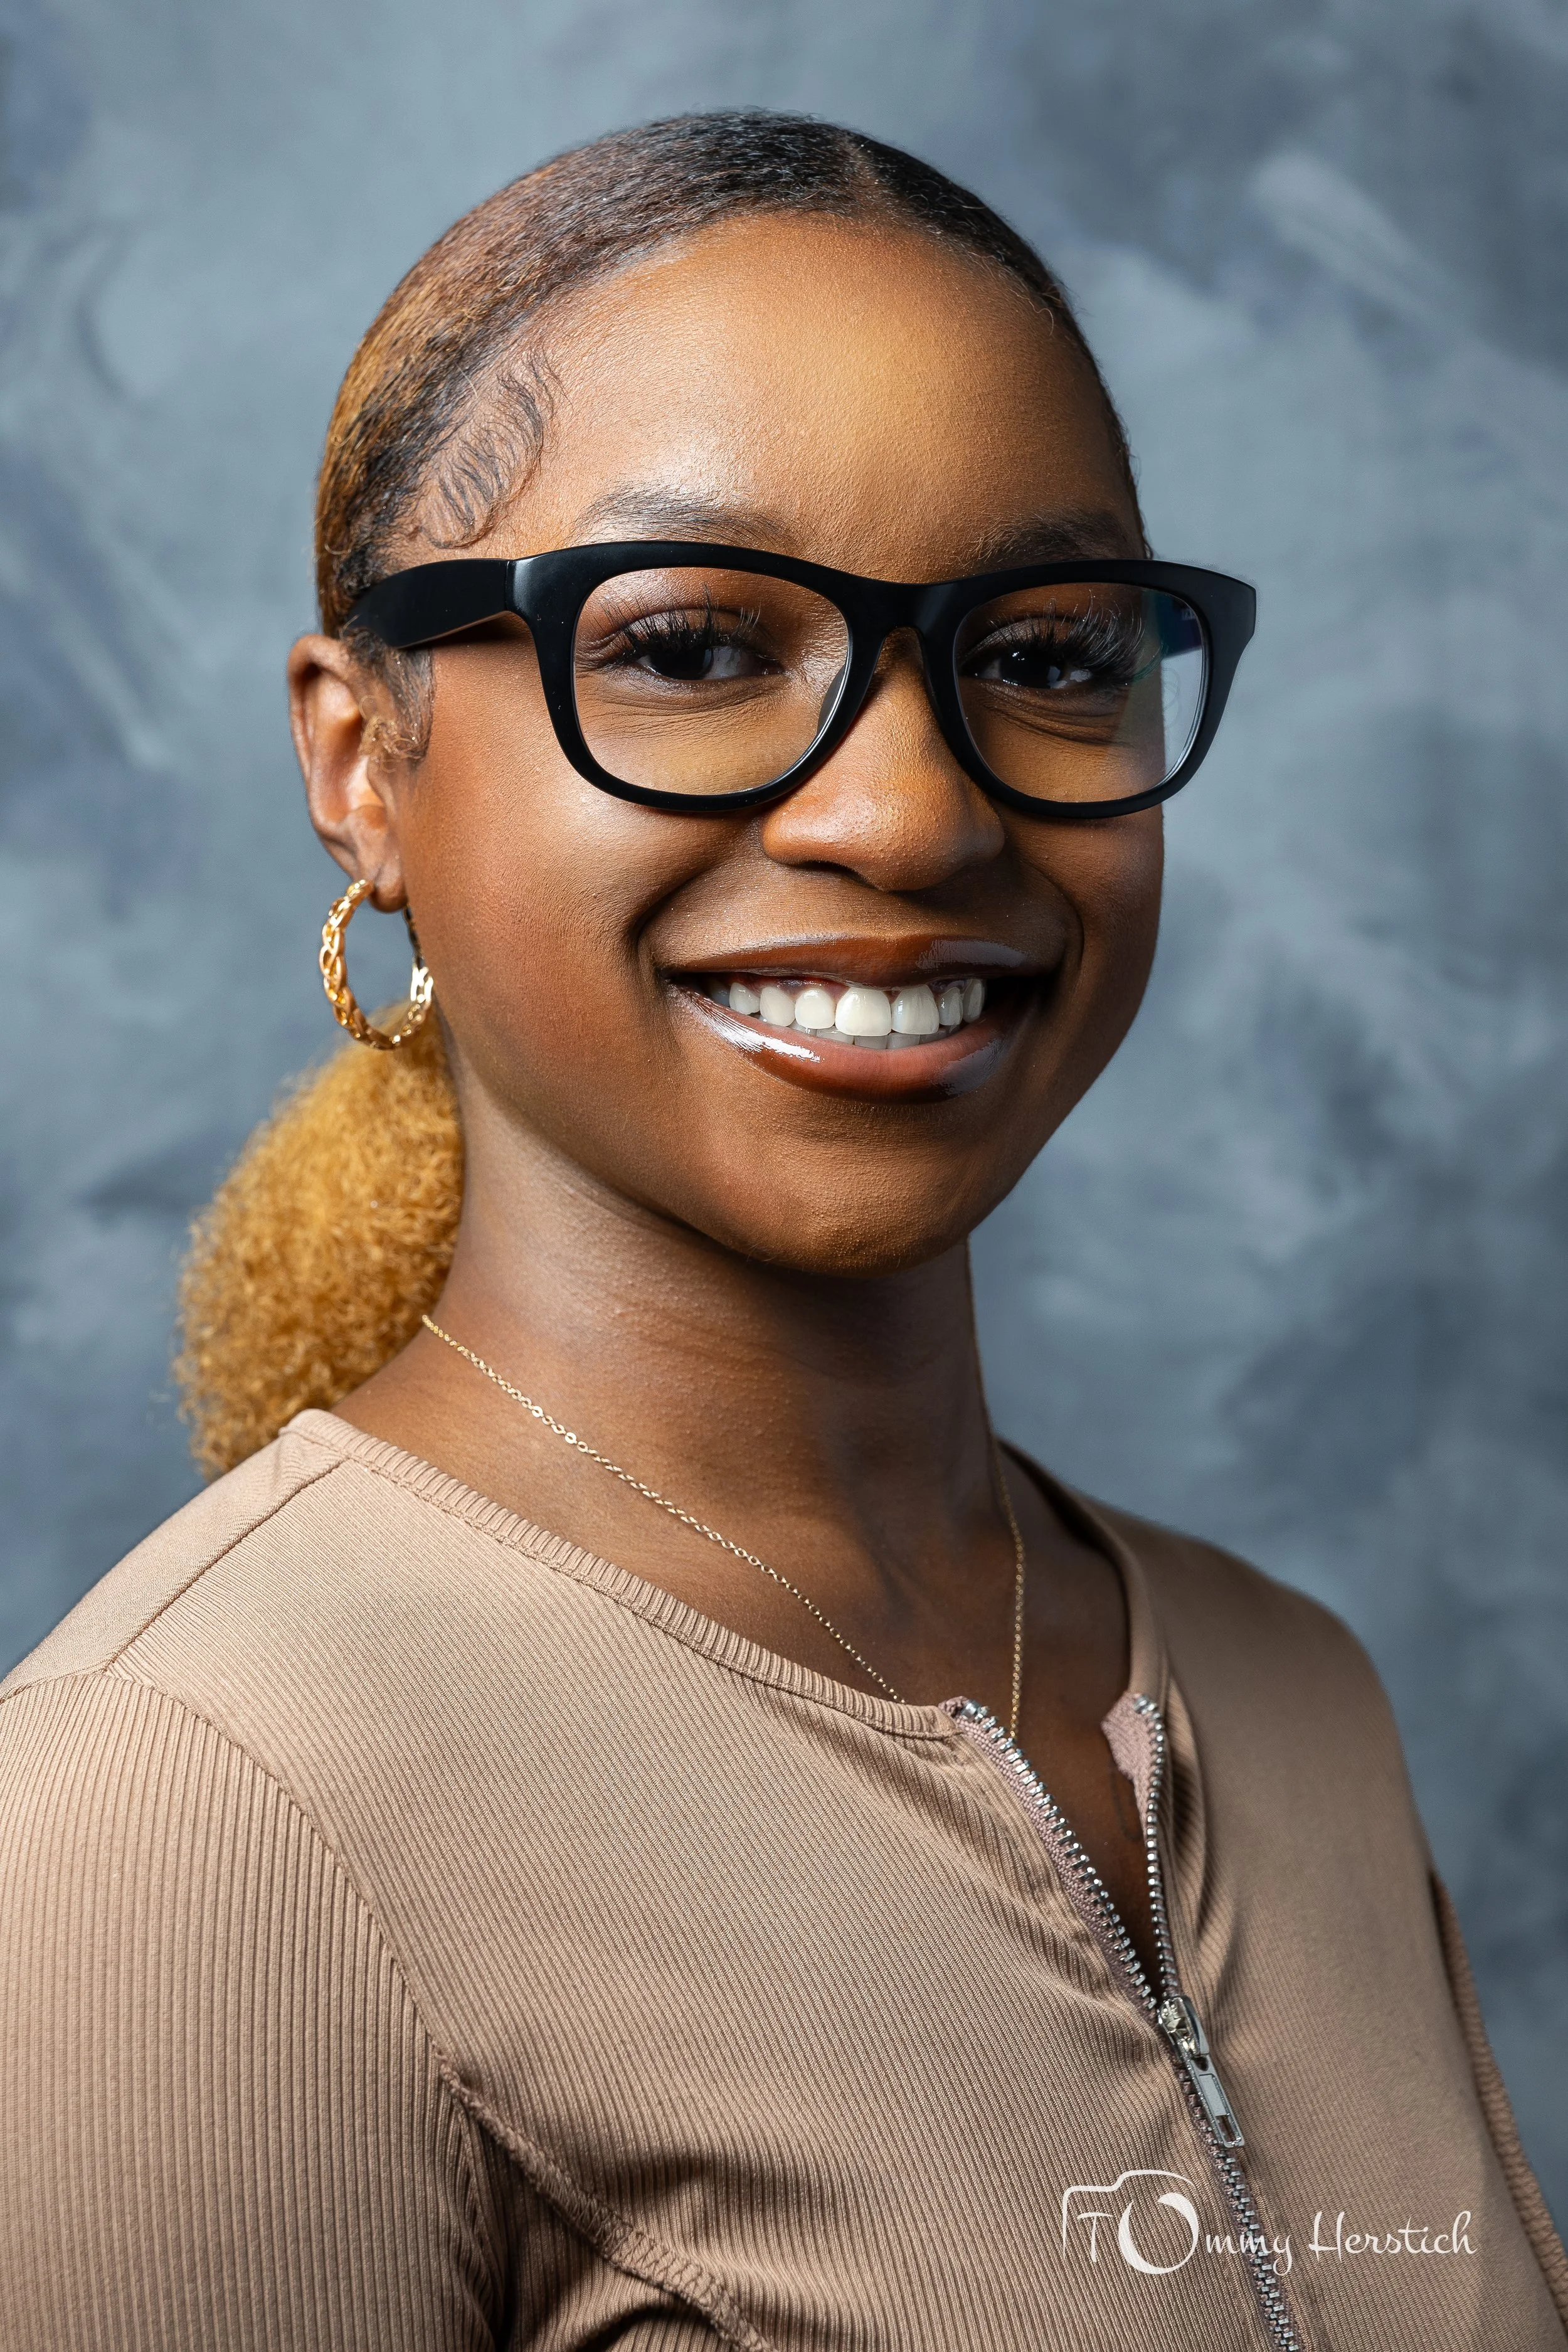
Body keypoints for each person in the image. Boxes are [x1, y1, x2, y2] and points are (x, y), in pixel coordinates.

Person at [0, 111, 1561, 2352]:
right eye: (693, 647)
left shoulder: (1287, 1691)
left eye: (1046, 653)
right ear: (363, 765)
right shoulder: (188, 1809)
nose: (913, 809)